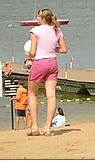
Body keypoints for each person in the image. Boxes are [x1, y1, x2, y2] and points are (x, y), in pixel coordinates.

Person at [26, 8, 68, 136]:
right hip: (52, 62)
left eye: (38, 17)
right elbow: (64, 49)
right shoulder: (57, 30)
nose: (36, 19)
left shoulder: (35, 31)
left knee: (32, 94)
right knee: (51, 95)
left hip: (39, 62)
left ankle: (34, 126)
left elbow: (32, 52)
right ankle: (47, 127)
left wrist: (28, 55)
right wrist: (52, 49)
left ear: (43, 18)